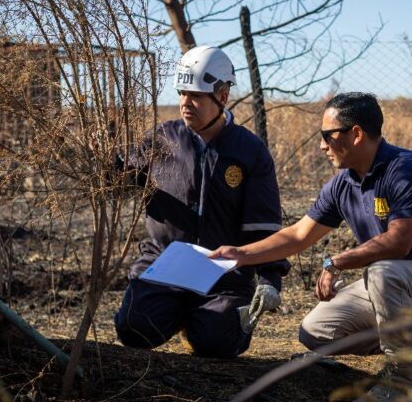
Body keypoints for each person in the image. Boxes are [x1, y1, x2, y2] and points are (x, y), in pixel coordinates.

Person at [210, 92, 412, 402]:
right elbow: (298, 234)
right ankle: (410, 344)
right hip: (394, 288)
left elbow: (398, 242)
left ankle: (400, 386)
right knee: (315, 331)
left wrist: (336, 261)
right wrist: (241, 255)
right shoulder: (342, 184)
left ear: (356, 133)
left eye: (327, 136)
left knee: (382, 272)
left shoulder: (407, 169)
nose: (321, 145)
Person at [113, 45, 289, 359]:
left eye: (195, 95)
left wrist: (270, 279)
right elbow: (122, 176)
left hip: (224, 270)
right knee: (133, 328)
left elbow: (264, 224)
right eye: (182, 93)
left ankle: (205, 322)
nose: (184, 103)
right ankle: (180, 312)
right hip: (164, 262)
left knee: (217, 344)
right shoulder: (163, 139)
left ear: (222, 97)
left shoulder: (249, 151)